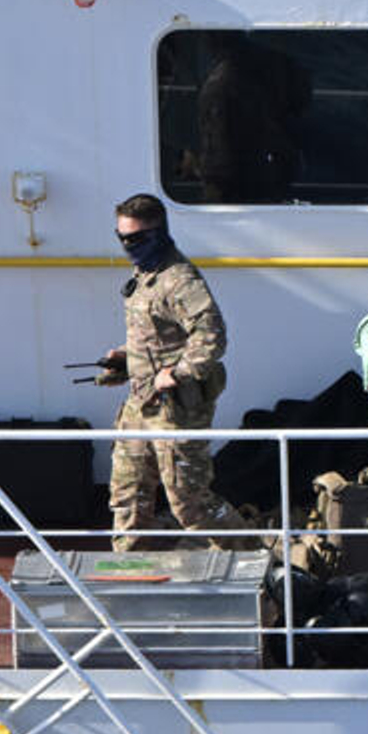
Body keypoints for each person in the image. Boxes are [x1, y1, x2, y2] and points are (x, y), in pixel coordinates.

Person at [99, 193, 250, 551]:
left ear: (159, 232)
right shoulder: (145, 274)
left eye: (136, 238)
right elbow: (160, 338)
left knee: (190, 503)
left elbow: (211, 336)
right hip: (140, 404)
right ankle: (130, 572)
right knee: (128, 496)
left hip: (175, 410)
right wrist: (126, 360)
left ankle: (254, 559)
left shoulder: (179, 279)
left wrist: (179, 372)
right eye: (122, 238)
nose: (128, 246)